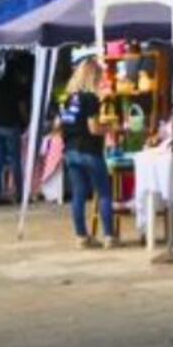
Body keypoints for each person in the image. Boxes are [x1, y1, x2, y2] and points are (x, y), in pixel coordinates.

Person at [58, 57, 115, 249]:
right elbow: (93, 128)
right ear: (93, 77)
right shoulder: (90, 98)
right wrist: (111, 128)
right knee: (104, 193)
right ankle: (109, 236)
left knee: (79, 194)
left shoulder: (67, 99)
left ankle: (81, 236)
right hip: (89, 150)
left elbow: (60, 125)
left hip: (70, 151)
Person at [0, 63, 28, 207]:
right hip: (9, 125)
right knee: (15, 159)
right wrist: (27, 123)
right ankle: (20, 192)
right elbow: (22, 109)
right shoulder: (17, 87)